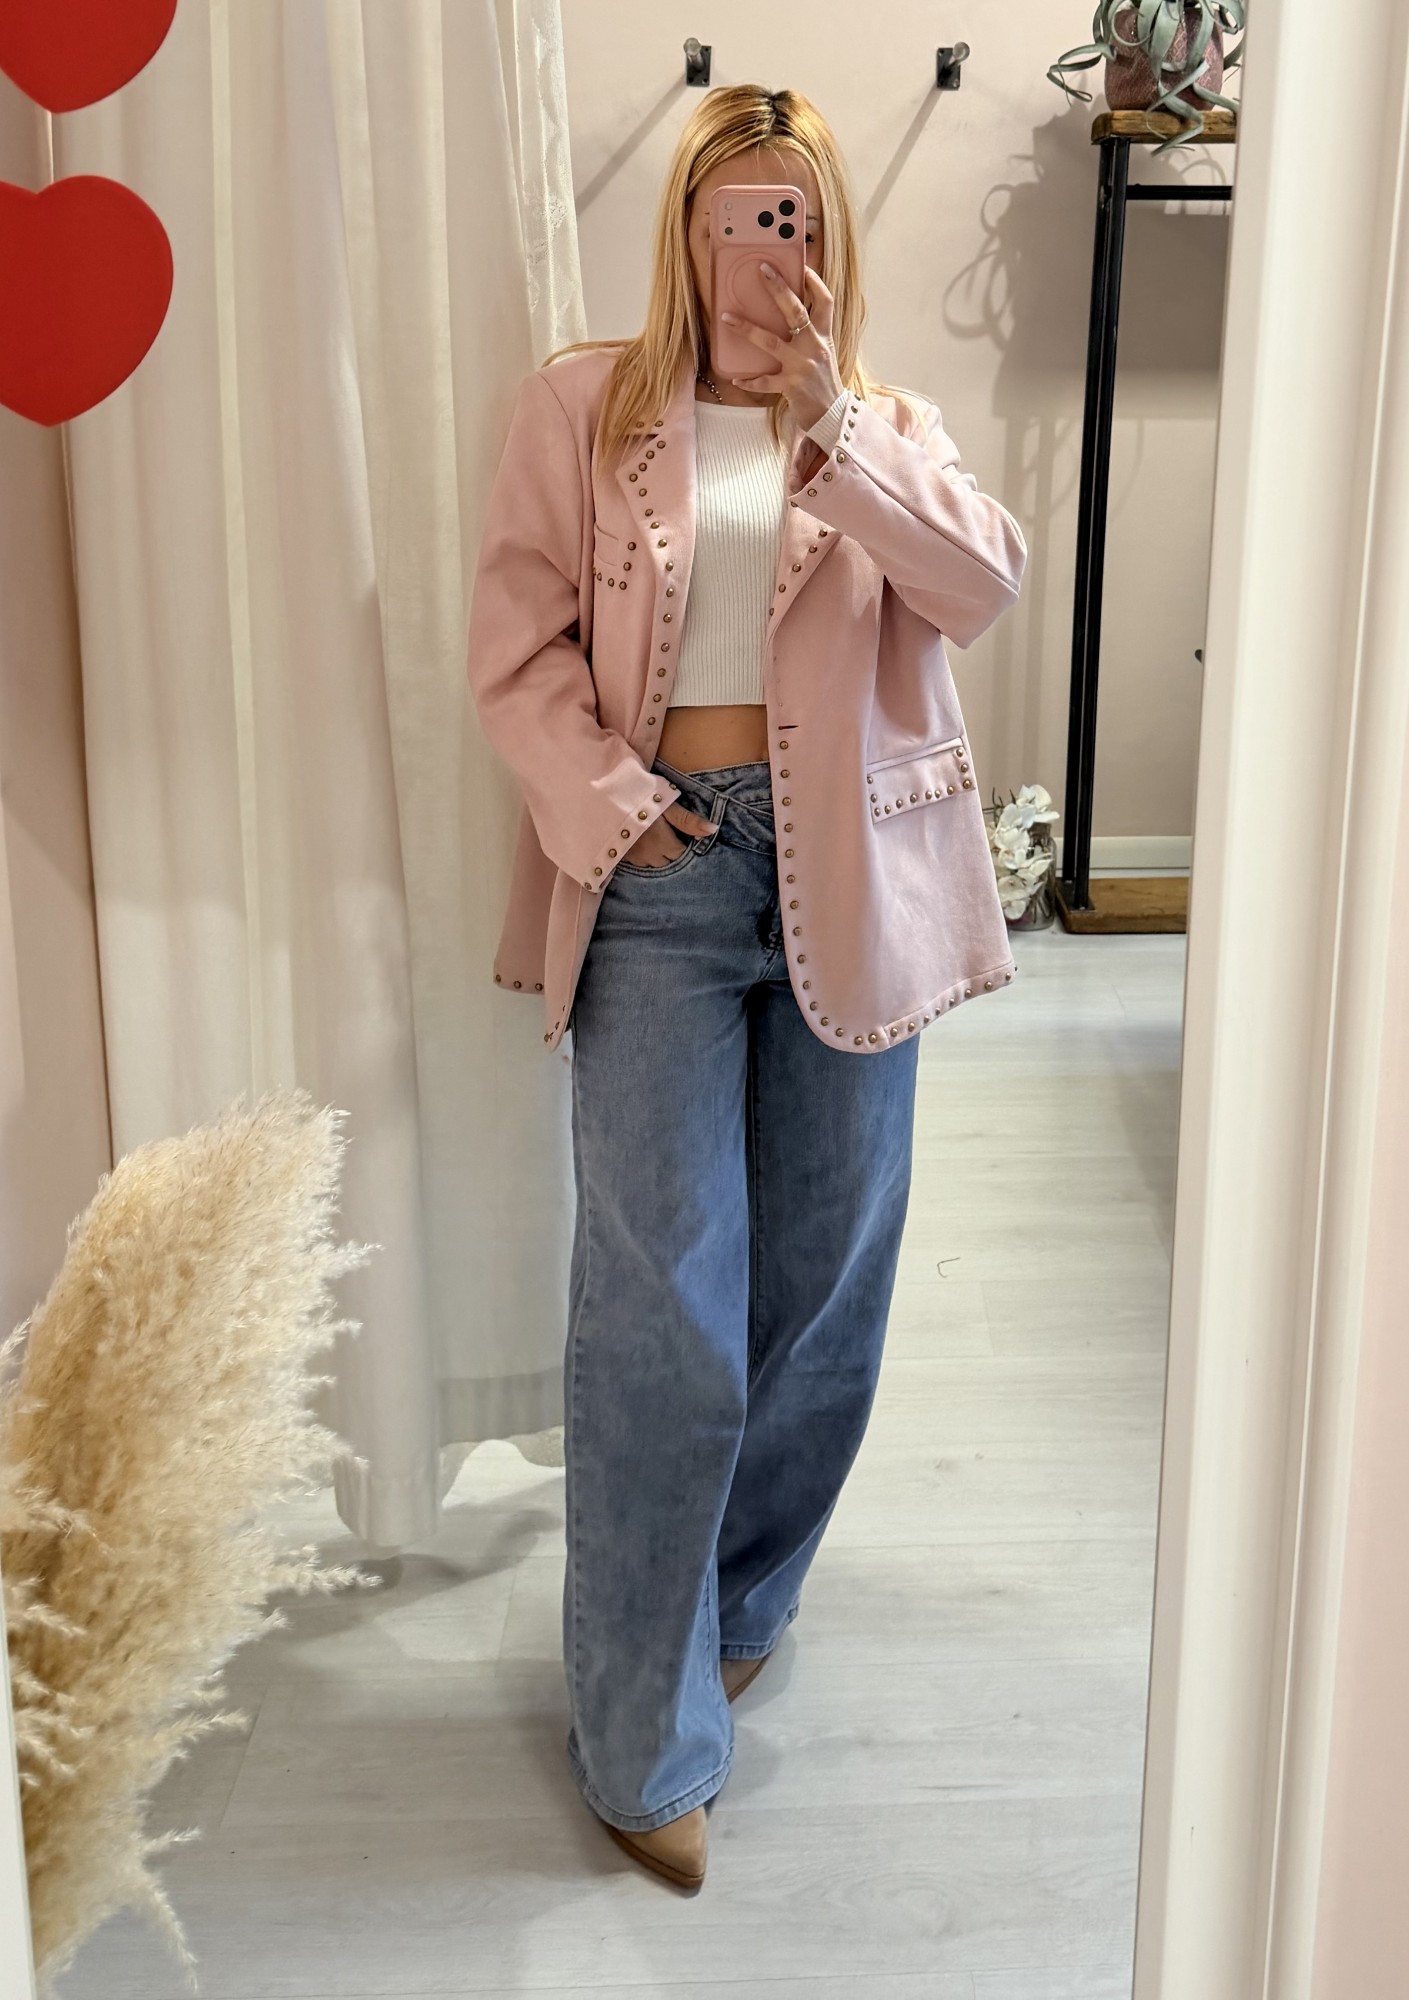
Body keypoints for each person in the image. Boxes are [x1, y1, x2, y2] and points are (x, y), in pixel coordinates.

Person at [465, 82, 1026, 1891]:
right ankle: (640, 1738)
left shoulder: (885, 429)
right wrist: (612, 810)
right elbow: (515, 653)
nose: (758, 253)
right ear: (685, 231)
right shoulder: (583, 409)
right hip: (659, 872)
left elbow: (981, 585)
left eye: (790, 217)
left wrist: (832, 425)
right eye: (732, 217)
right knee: (664, 1309)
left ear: (828, 238)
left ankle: (739, 1593)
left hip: (854, 879)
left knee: (824, 1286)